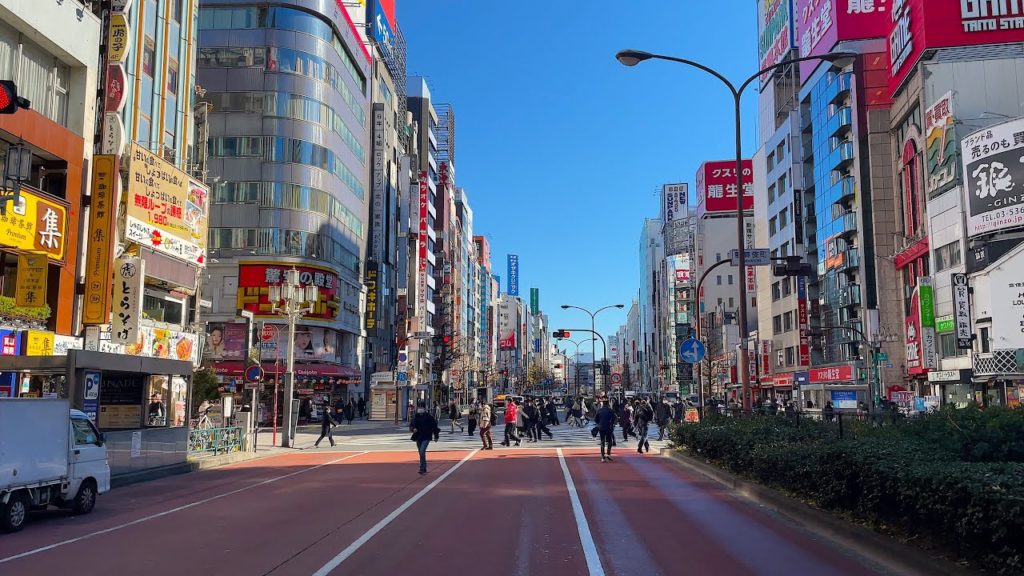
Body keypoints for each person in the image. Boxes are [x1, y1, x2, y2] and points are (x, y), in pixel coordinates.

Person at [409, 400, 440, 474]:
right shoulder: (415, 417)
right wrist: (413, 429)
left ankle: (422, 467)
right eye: (419, 407)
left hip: (426, 436)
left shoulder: (429, 417)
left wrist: (436, 436)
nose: (420, 409)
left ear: (425, 408)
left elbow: (434, 427)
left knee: (422, 451)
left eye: (422, 407)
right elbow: (411, 425)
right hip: (418, 436)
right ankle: (423, 467)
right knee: (420, 452)